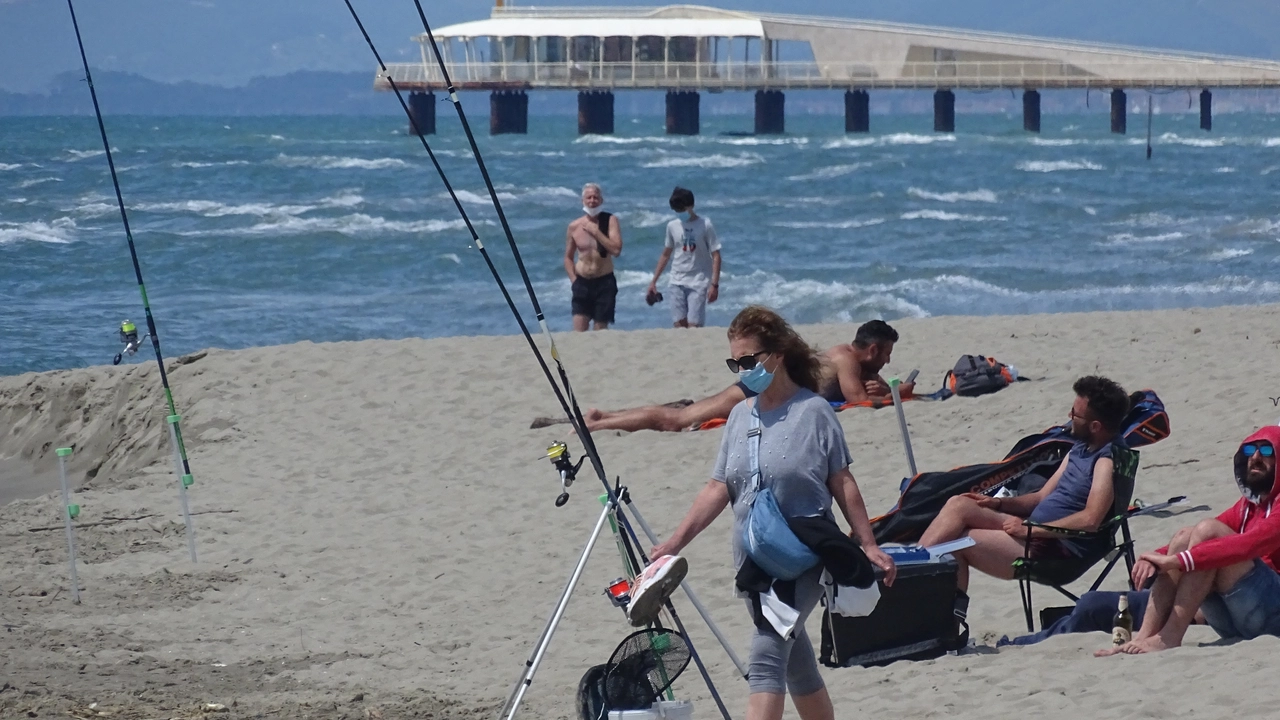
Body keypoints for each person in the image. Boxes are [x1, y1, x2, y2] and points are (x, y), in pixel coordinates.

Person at [650, 306, 895, 720]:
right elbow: (718, 487)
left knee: (766, 653)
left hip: (804, 555)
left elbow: (843, 482)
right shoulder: (739, 416)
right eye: (735, 362)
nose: (743, 369)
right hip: (754, 560)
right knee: (796, 664)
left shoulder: (814, 412)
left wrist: (868, 545)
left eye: (750, 360)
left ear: (777, 355)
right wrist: (673, 543)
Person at [918, 376, 1130, 592]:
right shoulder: (1081, 447)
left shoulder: (1107, 461)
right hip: (1032, 532)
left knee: (957, 545)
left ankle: (943, 616)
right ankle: (909, 569)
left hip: (1059, 552)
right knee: (960, 504)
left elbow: (1091, 519)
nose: (1069, 417)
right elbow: (1039, 498)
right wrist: (997, 504)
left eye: (1076, 414)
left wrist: (1032, 530)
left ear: (1095, 426)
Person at [1098, 426, 1280, 655]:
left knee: (1209, 532)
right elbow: (1196, 537)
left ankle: (1170, 636)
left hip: (1273, 618)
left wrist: (1177, 561)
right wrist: (1153, 558)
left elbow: (1251, 544)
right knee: (1186, 535)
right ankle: (1145, 636)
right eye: (1250, 450)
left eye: (1266, 450)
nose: (1255, 457)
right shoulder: (1248, 507)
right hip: (1236, 621)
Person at [542, 320, 912, 433]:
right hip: (760, 385)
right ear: (874, 349)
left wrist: (877, 389)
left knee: (689, 408)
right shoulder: (847, 359)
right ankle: (595, 425)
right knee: (679, 419)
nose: (886, 363)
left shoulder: (839, 354)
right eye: (887, 356)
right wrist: (897, 394)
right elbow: (857, 400)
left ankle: (604, 417)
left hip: (764, 381)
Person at [647, 187, 720, 329]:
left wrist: (714, 285)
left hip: (698, 281)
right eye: (676, 210)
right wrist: (653, 281)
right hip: (677, 279)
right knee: (679, 326)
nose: (679, 213)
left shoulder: (705, 225)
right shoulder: (672, 226)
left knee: (694, 325)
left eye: (681, 209)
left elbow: (716, 255)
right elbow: (666, 253)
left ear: (690, 206)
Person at [565, 183, 622, 332]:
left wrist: (597, 233)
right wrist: (574, 280)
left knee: (600, 331)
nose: (592, 201)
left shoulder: (610, 221)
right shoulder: (574, 226)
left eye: (595, 198)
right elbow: (568, 257)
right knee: (578, 332)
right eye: (588, 198)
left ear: (601, 200)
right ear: (582, 200)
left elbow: (616, 250)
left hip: (604, 282)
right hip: (582, 283)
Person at [818, 319, 915, 404]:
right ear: (873, 350)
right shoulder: (846, 360)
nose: (888, 361)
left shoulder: (864, 365)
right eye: (887, 354)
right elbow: (860, 401)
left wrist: (889, 390)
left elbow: (883, 389)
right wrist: (894, 395)